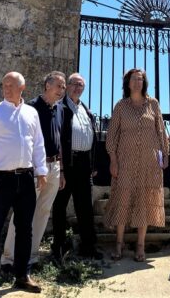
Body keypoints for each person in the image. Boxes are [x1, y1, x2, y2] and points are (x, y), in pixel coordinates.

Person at [0, 72, 47, 294]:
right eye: (4, 84)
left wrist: (41, 171)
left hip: (25, 178)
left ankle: (22, 275)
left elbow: (38, 144)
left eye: (11, 85)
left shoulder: (31, 113)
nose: (6, 88)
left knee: (25, 229)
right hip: (0, 179)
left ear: (22, 87)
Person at [1, 71, 67, 273]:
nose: (62, 90)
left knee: (43, 212)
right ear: (47, 85)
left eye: (63, 87)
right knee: (22, 214)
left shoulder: (60, 109)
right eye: (59, 86)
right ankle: (8, 260)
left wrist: (61, 170)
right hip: (35, 168)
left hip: (54, 167)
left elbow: (60, 141)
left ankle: (31, 257)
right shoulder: (30, 107)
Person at [104, 68, 169, 262]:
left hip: (149, 163)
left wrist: (165, 154)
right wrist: (113, 160)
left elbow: (161, 131)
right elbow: (112, 135)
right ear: (127, 82)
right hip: (124, 161)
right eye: (133, 79)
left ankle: (140, 246)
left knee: (143, 201)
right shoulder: (121, 106)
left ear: (144, 83)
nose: (137, 82)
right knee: (123, 199)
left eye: (140, 79)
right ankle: (119, 243)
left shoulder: (153, 104)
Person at [51, 73, 103, 260]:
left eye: (81, 85)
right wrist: (61, 166)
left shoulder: (86, 110)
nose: (77, 88)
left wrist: (93, 163)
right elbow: (57, 138)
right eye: (74, 84)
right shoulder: (60, 108)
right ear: (67, 87)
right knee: (60, 206)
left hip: (83, 165)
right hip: (67, 163)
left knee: (85, 208)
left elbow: (92, 138)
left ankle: (88, 247)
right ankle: (58, 247)